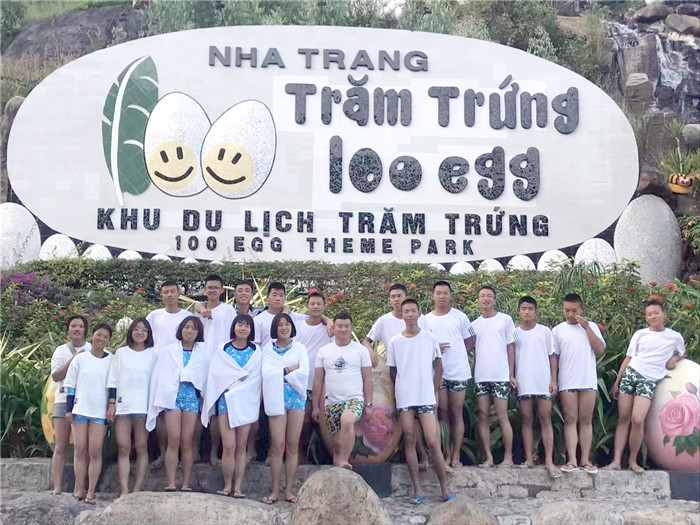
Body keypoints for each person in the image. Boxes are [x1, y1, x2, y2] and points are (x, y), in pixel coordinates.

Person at [387, 298, 453, 504]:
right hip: (405, 397)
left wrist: (433, 389)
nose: (409, 315)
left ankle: (445, 490)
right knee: (409, 439)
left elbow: (438, 367)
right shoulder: (395, 341)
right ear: (401, 314)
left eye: (413, 311)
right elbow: (392, 371)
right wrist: (399, 392)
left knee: (433, 441)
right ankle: (417, 490)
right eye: (406, 311)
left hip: (425, 396)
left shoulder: (429, 338)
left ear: (418, 313)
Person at [608, 300, 685, 473]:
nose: (653, 316)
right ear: (646, 318)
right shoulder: (640, 334)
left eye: (656, 313)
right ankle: (616, 461)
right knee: (623, 418)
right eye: (649, 314)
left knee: (638, 419)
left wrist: (674, 359)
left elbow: (682, 352)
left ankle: (633, 461)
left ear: (664, 314)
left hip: (649, 380)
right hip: (632, 373)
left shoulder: (674, 337)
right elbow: (629, 358)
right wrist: (618, 381)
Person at [362, 283, 430, 469]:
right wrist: (371, 351)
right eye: (393, 297)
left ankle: (424, 455)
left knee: (417, 417)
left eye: (400, 296)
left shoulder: (420, 319)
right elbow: (366, 340)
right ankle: (405, 455)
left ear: (406, 297)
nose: (397, 300)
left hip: (418, 376)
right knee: (400, 418)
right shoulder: (384, 321)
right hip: (395, 375)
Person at [202, 314, 262, 497]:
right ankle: (227, 485)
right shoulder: (223, 349)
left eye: (247, 325)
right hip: (226, 400)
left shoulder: (256, 351)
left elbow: (256, 377)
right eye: (239, 325)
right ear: (234, 327)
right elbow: (217, 374)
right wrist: (236, 377)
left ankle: (238, 487)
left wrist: (241, 383)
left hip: (246, 400)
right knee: (229, 446)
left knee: (241, 446)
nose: (243, 328)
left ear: (251, 329)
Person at [146, 316, 209, 491]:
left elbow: (205, 379)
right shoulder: (169, 351)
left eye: (194, 328)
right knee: (173, 439)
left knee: (187, 441)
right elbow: (160, 375)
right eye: (186, 327)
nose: (189, 331)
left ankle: (186, 483)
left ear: (198, 332)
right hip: (172, 397)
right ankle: (171, 482)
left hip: (191, 398)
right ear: (181, 329)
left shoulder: (202, 355)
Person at [552, 293, 606, 474]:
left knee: (586, 420)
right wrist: (554, 380)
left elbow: (600, 349)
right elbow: (554, 357)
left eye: (574, 310)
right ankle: (572, 460)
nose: (570, 314)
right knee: (570, 419)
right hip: (567, 380)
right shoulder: (557, 330)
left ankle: (585, 459)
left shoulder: (591, 327)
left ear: (581, 310)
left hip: (587, 380)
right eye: (566, 310)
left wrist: (587, 328)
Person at [312, 311, 373, 470]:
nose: (343, 329)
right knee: (337, 445)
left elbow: (368, 379)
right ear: (334, 327)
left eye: (347, 326)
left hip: (354, 399)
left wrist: (369, 404)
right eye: (340, 326)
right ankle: (339, 467)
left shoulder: (361, 350)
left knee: (347, 421)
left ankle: (344, 461)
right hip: (332, 402)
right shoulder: (324, 351)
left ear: (351, 328)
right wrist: (315, 406)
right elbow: (318, 380)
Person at [424, 281, 475, 468]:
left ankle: (456, 455)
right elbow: (421, 344)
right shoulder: (426, 320)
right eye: (438, 293)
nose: (442, 296)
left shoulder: (460, 317)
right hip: (438, 374)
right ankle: (444, 454)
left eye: (445, 293)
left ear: (450, 295)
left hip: (458, 372)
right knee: (442, 412)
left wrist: (459, 354)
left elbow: (470, 340)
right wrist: (435, 348)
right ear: (433, 295)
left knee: (457, 412)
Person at [260, 313, 309, 504]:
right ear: (275, 328)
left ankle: (289, 490)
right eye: (280, 324)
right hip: (275, 397)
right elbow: (266, 373)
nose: (284, 327)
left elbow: (304, 372)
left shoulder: (300, 348)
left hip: (296, 398)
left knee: (292, 444)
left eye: (287, 324)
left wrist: (281, 374)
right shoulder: (267, 349)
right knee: (277, 444)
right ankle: (274, 491)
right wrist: (288, 369)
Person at [64, 323, 114, 504]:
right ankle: (79, 487)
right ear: (92, 335)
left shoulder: (111, 360)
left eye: (105, 337)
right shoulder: (80, 359)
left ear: (109, 340)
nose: (101, 339)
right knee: (79, 450)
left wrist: (111, 406)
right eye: (99, 335)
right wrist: (69, 409)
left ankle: (91, 490)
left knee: (95, 451)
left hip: (99, 412)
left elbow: (113, 385)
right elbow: (70, 385)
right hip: (80, 409)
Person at [107, 318, 157, 496]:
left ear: (149, 334)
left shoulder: (154, 354)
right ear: (130, 332)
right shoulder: (121, 353)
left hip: (144, 406)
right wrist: (111, 404)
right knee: (124, 447)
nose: (140, 332)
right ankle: (124, 489)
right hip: (123, 405)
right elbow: (112, 379)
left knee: (141, 446)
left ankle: (137, 489)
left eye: (144, 330)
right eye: (136, 329)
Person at [513, 297, 560, 478]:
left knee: (545, 419)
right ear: (519, 311)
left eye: (530, 309)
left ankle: (548, 460)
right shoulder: (514, 333)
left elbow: (552, 356)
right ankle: (529, 459)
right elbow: (511, 357)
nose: (527, 312)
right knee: (526, 420)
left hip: (543, 383)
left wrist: (553, 380)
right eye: (524, 308)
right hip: (523, 382)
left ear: (535, 312)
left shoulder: (545, 331)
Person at [471, 285, 517, 468]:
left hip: (500, 376)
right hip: (481, 376)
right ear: (478, 300)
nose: (486, 299)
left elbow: (511, 347)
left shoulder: (505, 320)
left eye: (489, 296)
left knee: (502, 415)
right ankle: (488, 457)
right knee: (483, 415)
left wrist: (511, 374)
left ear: (494, 300)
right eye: (482, 296)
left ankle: (508, 457)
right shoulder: (474, 325)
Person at [145, 281, 190, 468]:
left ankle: (181, 455)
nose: (170, 295)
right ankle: (163, 453)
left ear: (179, 293)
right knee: (161, 412)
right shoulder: (154, 315)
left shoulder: (188, 316)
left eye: (173, 291)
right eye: (166, 292)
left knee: (182, 414)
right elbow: (141, 335)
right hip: (159, 368)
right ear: (161, 295)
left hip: (181, 369)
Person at [50, 315, 91, 495]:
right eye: (73, 326)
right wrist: (74, 359)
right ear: (68, 329)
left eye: (80, 326)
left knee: (83, 448)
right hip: (62, 399)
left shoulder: (91, 349)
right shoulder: (60, 351)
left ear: (85, 329)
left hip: (85, 402)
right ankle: (57, 486)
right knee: (60, 445)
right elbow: (56, 376)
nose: (77, 329)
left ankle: (80, 486)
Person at [296, 291, 333, 462]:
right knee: (300, 420)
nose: (316, 307)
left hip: (318, 384)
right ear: (307, 306)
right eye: (313, 303)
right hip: (298, 382)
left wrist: (328, 321)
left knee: (313, 420)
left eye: (319, 304)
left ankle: (308, 455)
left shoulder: (330, 330)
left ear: (324, 307)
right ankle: (295, 452)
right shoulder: (297, 325)